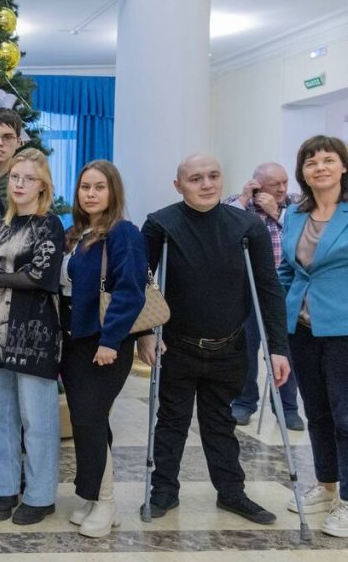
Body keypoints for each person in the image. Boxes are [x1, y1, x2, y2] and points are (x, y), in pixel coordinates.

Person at [138, 154, 290, 525]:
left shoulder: (247, 226)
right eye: (195, 179)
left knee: (220, 422)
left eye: (213, 176)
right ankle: (163, 491)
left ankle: (231, 492)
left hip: (229, 346)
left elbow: (268, 288)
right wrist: (143, 333)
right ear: (178, 185)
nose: (206, 184)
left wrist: (278, 348)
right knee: (171, 420)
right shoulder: (160, 224)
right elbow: (141, 281)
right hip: (177, 345)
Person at [59, 160, 148, 538]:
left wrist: (110, 340)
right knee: (86, 422)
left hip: (104, 344)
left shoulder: (122, 232)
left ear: (113, 192)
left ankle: (108, 502)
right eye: (85, 187)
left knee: (91, 421)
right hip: (74, 343)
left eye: (99, 187)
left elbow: (130, 291)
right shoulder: (76, 234)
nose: (91, 194)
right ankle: (93, 496)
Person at [0, 148, 64, 526]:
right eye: (15, 177)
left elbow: (39, 276)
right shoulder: (3, 226)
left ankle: (41, 496)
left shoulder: (49, 225)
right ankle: (5, 488)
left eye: (28, 179)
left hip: (34, 334)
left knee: (37, 420)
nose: (19, 184)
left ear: (42, 186)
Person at [278, 135, 348, 537]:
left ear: (343, 166)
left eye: (328, 160)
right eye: (311, 162)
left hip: (343, 329)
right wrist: (276, 314)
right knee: (317, 411)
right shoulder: (295, 214)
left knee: (345, 415)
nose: (319, 167)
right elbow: (288, 270)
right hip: (302, 328)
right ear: (302, 172)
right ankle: (326, 485)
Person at [225, 162, 304, 430]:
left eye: (284, 182)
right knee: (246, 348)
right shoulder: (239, 205)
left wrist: (276, 213)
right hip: (245, 289)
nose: (282, 189)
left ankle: (287, 407)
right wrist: (245, 197)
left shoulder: (296, 205)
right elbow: (223, 229)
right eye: (274, 184)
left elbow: (303, 236)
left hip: (283, 291)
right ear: (258, 185)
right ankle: (244, 402)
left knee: (283, 349)